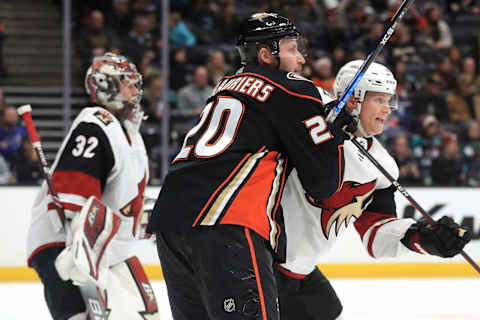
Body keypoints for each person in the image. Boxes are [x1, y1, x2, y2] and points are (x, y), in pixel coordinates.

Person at [147, 12, 357, 320]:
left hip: (170, 220)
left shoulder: (225, 86)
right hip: (226, 222)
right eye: (291, 49)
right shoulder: (294, 88)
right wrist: (333, 136)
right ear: (265, 54)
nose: (300, 59)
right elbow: (325, 183)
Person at [275, 60, 471, 320]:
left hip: (300, 273)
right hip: (258, 263)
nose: (387, 109)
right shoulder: (308, 128)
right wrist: (325, 129)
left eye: (389, 100)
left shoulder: (382, 165)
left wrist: (423, 239)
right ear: (353, 100)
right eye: (379, 100)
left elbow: (376, 236)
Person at [26, 53, 160, 320]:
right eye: (127, 84)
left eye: (136, 83)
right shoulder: (95, 124)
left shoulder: (130, 134)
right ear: (105, 87)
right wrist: (79, 254)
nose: (136, 91)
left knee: (145, 314)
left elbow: (122, 203)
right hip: (65, 246)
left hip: (106, 251)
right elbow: (73, 200)